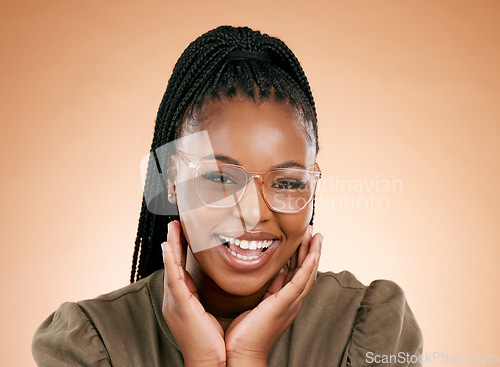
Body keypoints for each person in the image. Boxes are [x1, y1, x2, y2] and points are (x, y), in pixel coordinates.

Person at [32, 25, 423, 366]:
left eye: (287, 182)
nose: (252, 214)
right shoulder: (90, 343)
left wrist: (249, 358)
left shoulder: (368, 329)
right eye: (219, 178)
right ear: (172, 179)